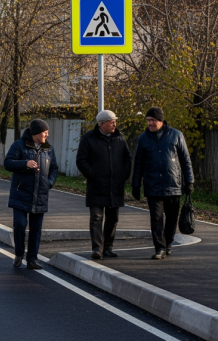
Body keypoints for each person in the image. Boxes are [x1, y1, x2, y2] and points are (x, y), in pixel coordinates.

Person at [132, 107, 194, 259]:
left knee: (172, 218)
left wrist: (189, 181)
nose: (150, 124)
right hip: (153, 185)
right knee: (156, 218)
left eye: (152, 120)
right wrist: (136, 184)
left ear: (160, 120)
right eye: (148, 121)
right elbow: (138, 163)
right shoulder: (143, 138)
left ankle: (168, 243)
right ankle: (159, 248)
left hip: (173, 184)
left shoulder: (176, 135)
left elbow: (186, 160)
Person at [76, 110, 132, 259]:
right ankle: (97, 248)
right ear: (102, 124)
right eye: (111, 121)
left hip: (115, 186)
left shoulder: (119, 138)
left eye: (115, 121)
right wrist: (93, 174)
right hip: (96, 185)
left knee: (112, 219)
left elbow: (127, 158)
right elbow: (81, 160)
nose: (114, 124)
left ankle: (108, 247)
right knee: (96, 217)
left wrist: (123, 175)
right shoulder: (88, 138)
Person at [4, 119, 58, 269]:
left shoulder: (48, 149)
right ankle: (19, 253)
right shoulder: (19, 145)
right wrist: (24, 163)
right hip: (21, 193)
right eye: (44, 132)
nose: (47, 135)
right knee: (20, 224)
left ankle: (32, 259)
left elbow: (54, 168)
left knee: (36, 229)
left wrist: (49, 183)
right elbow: (8, 163)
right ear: (35, 133)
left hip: (40, 194)